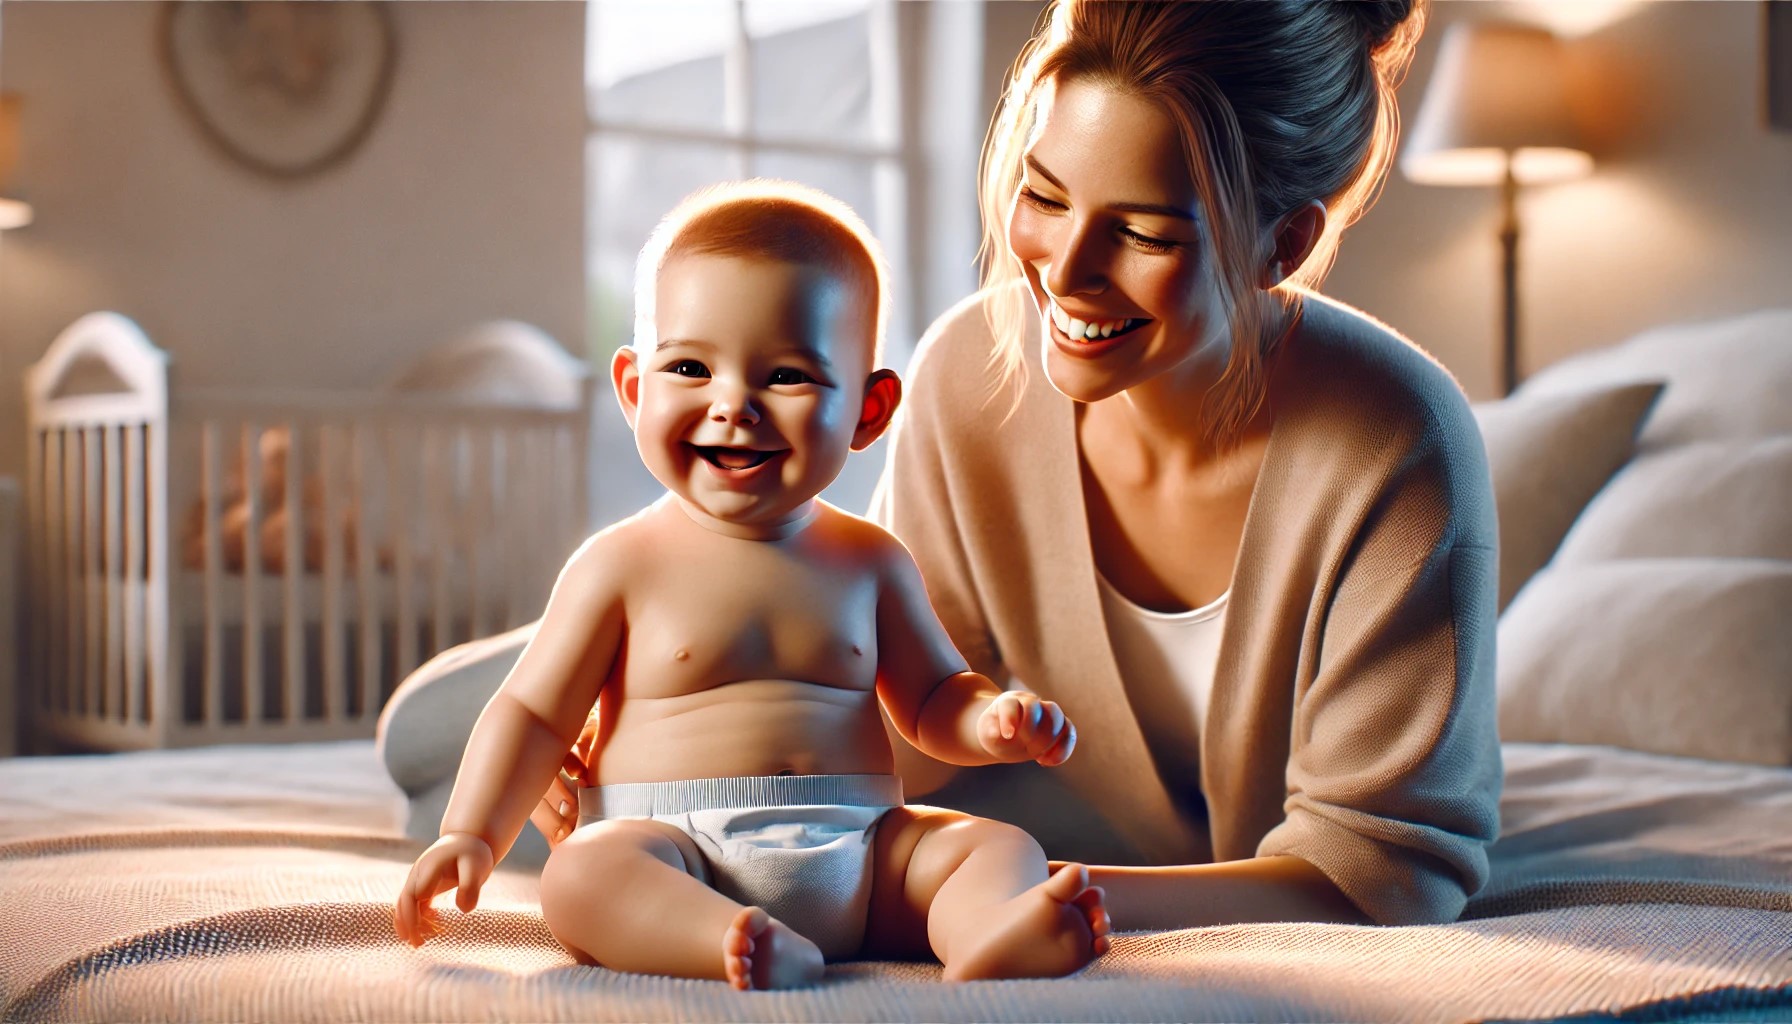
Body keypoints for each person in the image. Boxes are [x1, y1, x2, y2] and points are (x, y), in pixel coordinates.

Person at [532, 0, 1503, 933]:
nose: (1063, 271)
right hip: (750, 674)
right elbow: (895, 722)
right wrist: (603, 727)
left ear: (1281, 242)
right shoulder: (970, 369)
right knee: (448, 733)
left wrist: (1017, 895)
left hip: (956, 815)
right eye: (1043, 194)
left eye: (1143, 232)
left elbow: (1381, 873)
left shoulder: (1395, 440)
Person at [392, 180, 1111, 990]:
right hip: (679, 849)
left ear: (870, 412)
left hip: (867, 848)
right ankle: (726, 940)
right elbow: (530, 712)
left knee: (994, 846)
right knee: (582, 876)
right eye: (692, 367)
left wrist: (990, 721)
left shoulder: (871, 562)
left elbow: (933, 698)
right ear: (634, 391)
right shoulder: (619, 565)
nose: (734, 406)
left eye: (789, 377)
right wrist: (471, 833)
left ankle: (990, 931)